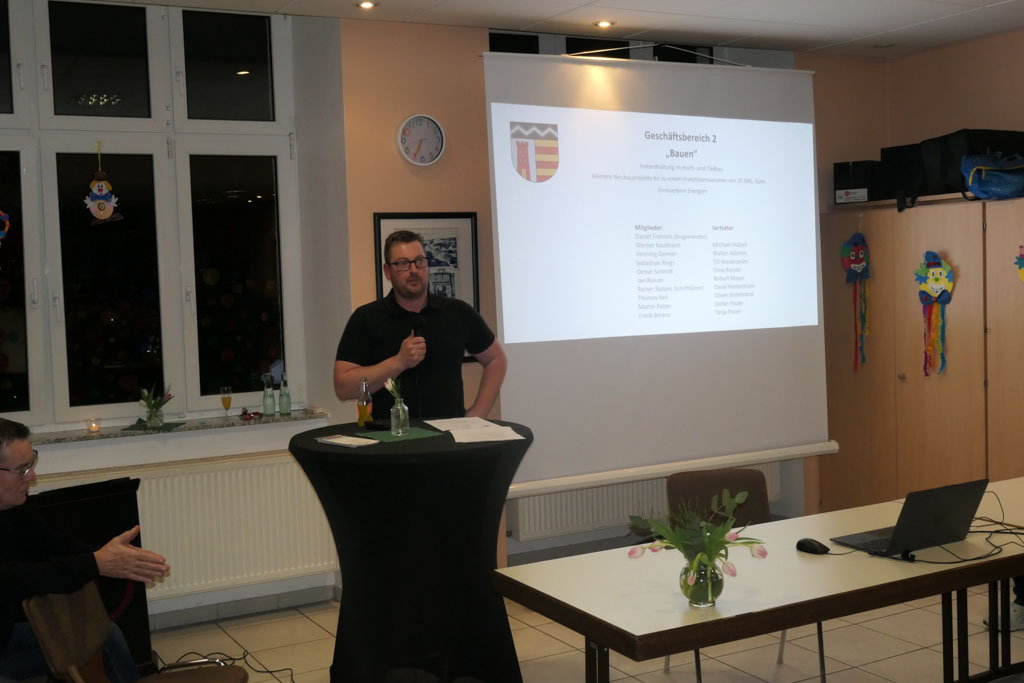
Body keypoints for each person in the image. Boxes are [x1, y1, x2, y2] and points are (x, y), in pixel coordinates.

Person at [0, 418, 170, 682]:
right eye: (22, 470)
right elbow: (15, 578)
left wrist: (109, 555)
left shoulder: (15, 506)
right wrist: (97, 562)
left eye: (31, 464)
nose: (32, 477)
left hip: (7, 636)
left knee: (106, 634)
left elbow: (51, 544)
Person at [334, 230, 507, 420]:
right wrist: (399, 362)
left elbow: (496, 359)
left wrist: (476, 417)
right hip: (388, 434)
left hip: (449, 433)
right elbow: (343, 388)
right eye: (403, 264)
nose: (414, 270)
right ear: (387, 271)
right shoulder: (366, 318)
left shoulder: (458, 312)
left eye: (420, 261)